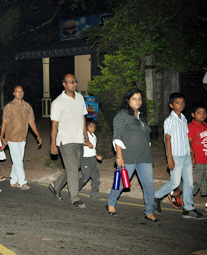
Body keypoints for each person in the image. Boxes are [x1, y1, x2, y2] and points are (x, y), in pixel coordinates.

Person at [105, 88, 158, 221]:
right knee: (122, 183)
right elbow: (117, 137)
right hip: (128, 156)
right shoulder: (121, 116)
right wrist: (119, 157)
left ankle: (149, 211)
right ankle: (111, 203)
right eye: (134, 98)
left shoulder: (142, 116)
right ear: (128, 100)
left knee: (148, 184)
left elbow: (145, 136)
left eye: (139, 99)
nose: (137, 101)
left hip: (145, 156)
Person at [154, 93, 207, 219]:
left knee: (189, 183)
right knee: (175, 182)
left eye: (183, 102)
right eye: (178, 103)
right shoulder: (170, 121)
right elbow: (167, 140)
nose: (181, 105)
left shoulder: (183, 119)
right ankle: (155, 196)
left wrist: (192, 154)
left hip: (186, 155)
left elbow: (185, 139)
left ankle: (188, 209)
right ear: (171, 105)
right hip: (176, 156)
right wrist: (170, 158)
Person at [48, 74, 89, 208]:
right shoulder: (58, 102)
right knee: (73, 170)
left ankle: (56, 186)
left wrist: (86, 137)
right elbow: (54, 125)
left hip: (79, 139)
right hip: (65, 140)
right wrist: (53, 144)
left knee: (74, 167)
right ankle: (75, 198)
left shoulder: (80, 98)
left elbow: (83, 118)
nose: (75, 84)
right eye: (71, 82)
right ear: (64, 84)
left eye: (75, 82)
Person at [1, 85, 42, 190]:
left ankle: (13, 180)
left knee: (18, 160)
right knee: (18, 160)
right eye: (17, 91)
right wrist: (1, 136)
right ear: (14, 93)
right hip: (12, 137)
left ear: (23, 93)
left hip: (23, 137)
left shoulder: (27, 106)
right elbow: (4, 122)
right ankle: (22, 182)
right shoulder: (9, 106)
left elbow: (31, 121)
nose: (19, 93)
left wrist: (37, 135)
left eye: (21, 91)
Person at [168, 102, 207, 209]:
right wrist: (192, 156)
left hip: (205, 159)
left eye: (204, 112)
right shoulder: (191, 126)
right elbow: (187, 142)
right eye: (199, 113)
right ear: (193, 115)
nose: (202, 114)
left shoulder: (206, 126)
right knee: (192, 181)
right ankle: (175, 194)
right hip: (197, 160)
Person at [78, 117, 103, 199]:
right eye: (91, 126)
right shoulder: (85, 135)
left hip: (92, 158)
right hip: (85, 159)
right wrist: (87, 143)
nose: (93, 129)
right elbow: (79, 143)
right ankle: (75, 189)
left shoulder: (94, 136)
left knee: (96, 177)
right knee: (85, 177)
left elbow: (93, 149)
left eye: (94, 126)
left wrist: (96, 155)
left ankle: (94, 194)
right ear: (86, 127)